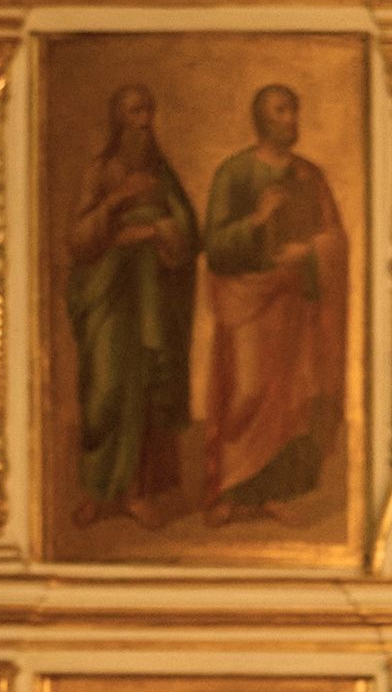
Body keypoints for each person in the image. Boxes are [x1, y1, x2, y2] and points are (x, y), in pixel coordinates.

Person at [200, 82, 349, 521]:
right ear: (261, 119)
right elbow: (215, 245)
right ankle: (225, 489)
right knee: (246, 392)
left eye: (294, 110)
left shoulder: (309, 175)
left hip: (294, 298)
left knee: (290, 400)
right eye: (282, 111)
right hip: (248, 296)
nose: (291, 119)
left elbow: (333, 236)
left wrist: (310, 252)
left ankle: (271, 491)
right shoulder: (234, 173)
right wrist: (257, 220)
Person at [64, 82, 199, 530]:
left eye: (149, 111)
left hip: (152, 297)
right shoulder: (99, 170)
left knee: (143, 391)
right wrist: (119, 203)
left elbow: (187, 230)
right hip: (109, 293)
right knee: (104, 390)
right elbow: (79, 240)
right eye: (135, 112)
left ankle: (136, 492)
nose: (144, 121)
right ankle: (98, 491)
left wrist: (161, 231)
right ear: (118, 120)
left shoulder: (163, 174)